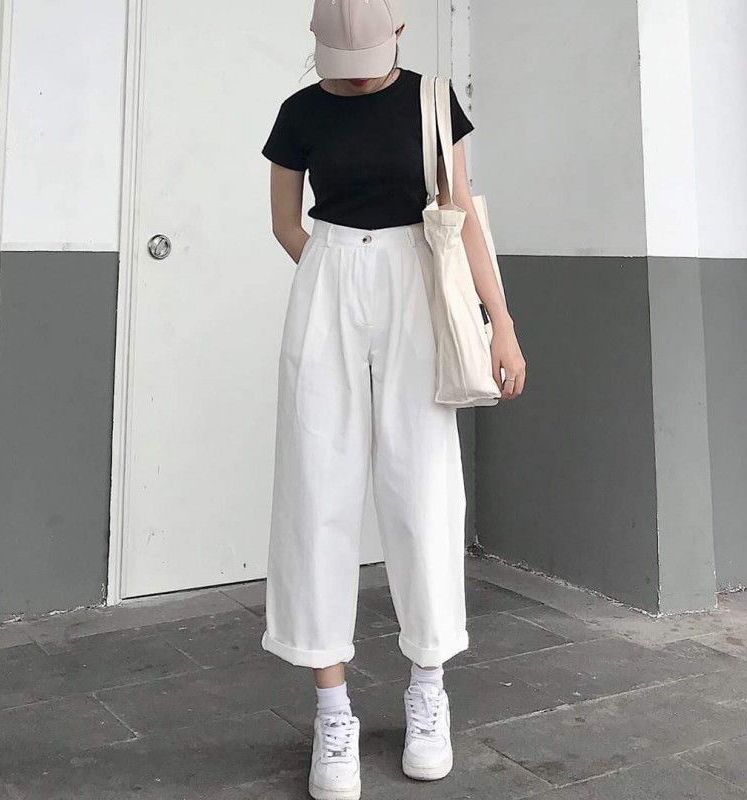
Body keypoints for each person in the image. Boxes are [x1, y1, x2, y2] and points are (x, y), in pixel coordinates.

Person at [260, 1, 526, 798]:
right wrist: (340, 274)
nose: (356, 76)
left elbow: (462, 218)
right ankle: (331, 711)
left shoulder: (431, 100)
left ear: (398, 33)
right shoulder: (299, 111)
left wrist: (501, 324)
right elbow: (285, 224)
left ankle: (428, 690)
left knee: (422, 485)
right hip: (330, 278)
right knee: (316, 487)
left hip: (419, 282)